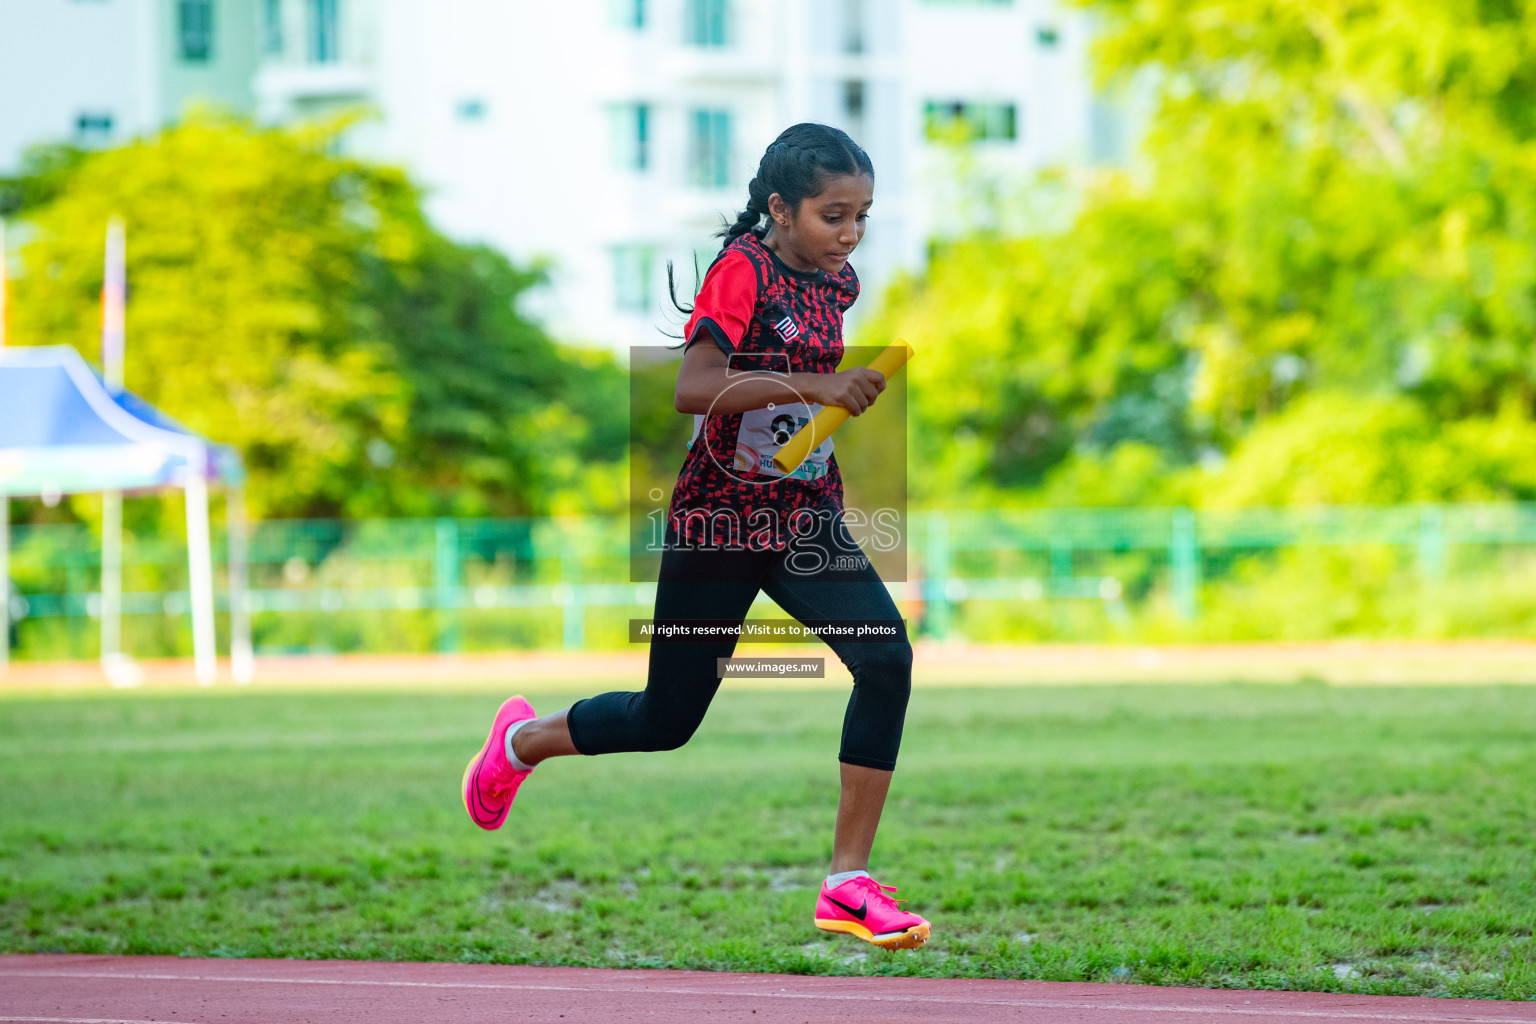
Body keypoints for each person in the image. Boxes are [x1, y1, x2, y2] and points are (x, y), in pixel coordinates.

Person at [461, 123, 928, 950]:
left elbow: (788, 395)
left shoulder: (838, 281)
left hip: (802, 511)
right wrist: (821, 381)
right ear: (780, 209)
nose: (850, 235)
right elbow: (695, 386)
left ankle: (847, 883)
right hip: (719, 520)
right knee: (666, 718)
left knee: (886, 655)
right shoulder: (741, 270)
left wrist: (826, 406)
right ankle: (523, 741)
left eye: (862, 216)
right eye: (832, 215)